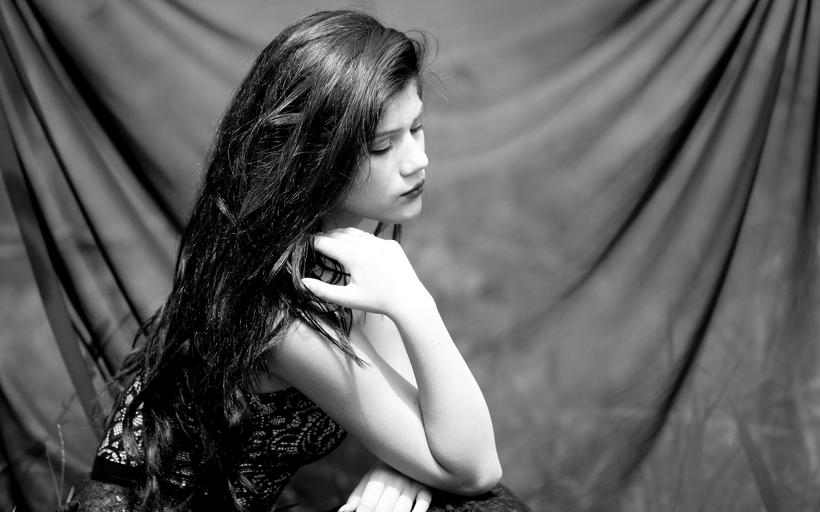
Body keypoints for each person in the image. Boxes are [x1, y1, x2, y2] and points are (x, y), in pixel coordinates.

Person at [66, 9, 531, 512]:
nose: (417, 160)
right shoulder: (279, 314)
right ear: (312, 158)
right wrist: (415, 305)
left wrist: (402, 465)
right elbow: (475, 467)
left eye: (416, 128)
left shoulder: (348, 256)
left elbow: (446, 438)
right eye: (382, 146)